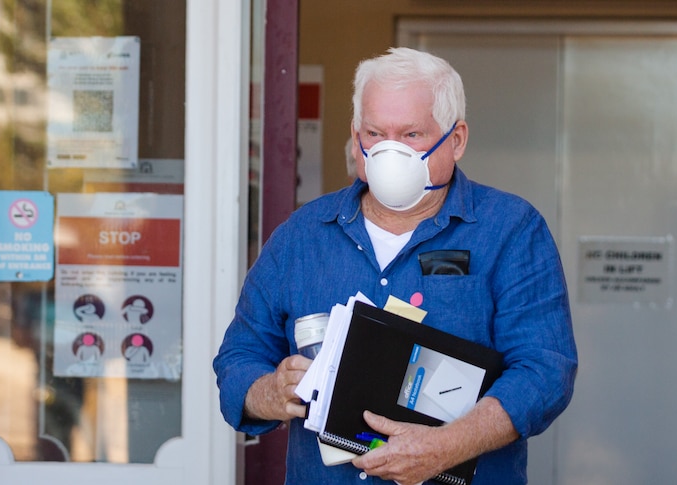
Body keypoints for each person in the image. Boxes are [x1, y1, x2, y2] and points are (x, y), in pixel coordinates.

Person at [213, 47, 577, 485]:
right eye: (375, 132)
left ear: (456, 139)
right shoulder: (302, 236)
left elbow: (545, 372)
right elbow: (238, 359)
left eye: (410, 135)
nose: (389, 150)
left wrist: (447, 446)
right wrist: (266, 392)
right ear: (355, 136)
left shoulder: (511, 232)